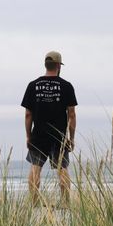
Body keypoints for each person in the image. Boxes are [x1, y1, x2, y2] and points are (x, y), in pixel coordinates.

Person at [21, 51, 77, 207]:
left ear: (45, 65)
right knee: (62, 169)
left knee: (35, 168)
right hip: (59, 135)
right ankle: (65, 204)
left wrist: (28, 135)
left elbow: (28, 114)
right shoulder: (66, 86)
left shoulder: (33, 85)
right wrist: (71, 138)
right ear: (59, 66)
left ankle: (34, 203)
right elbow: (71, 115)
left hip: (38, 134)